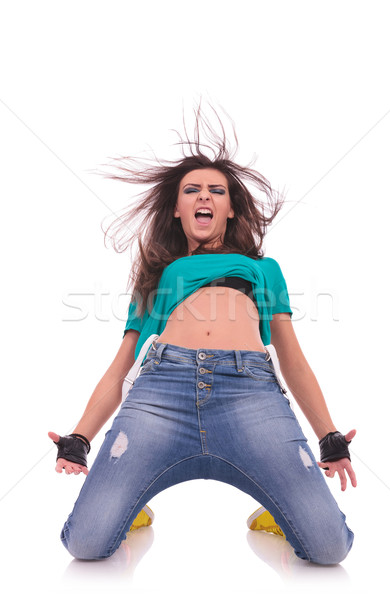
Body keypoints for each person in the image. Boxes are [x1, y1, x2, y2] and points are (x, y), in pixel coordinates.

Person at [49, 102, 356, 565]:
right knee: (86, 545)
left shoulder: (261, 270)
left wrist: (328, 434)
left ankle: (274, 511)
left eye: (216, 191)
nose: (204, 197)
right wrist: (80, 437)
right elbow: (124, 362)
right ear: (177, 208)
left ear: (231, 209)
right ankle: (133, 504)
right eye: (192, 190)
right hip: (162, 390)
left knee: (329, 550)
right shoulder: (159, 275)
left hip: (250, 393)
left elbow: (291, 358)